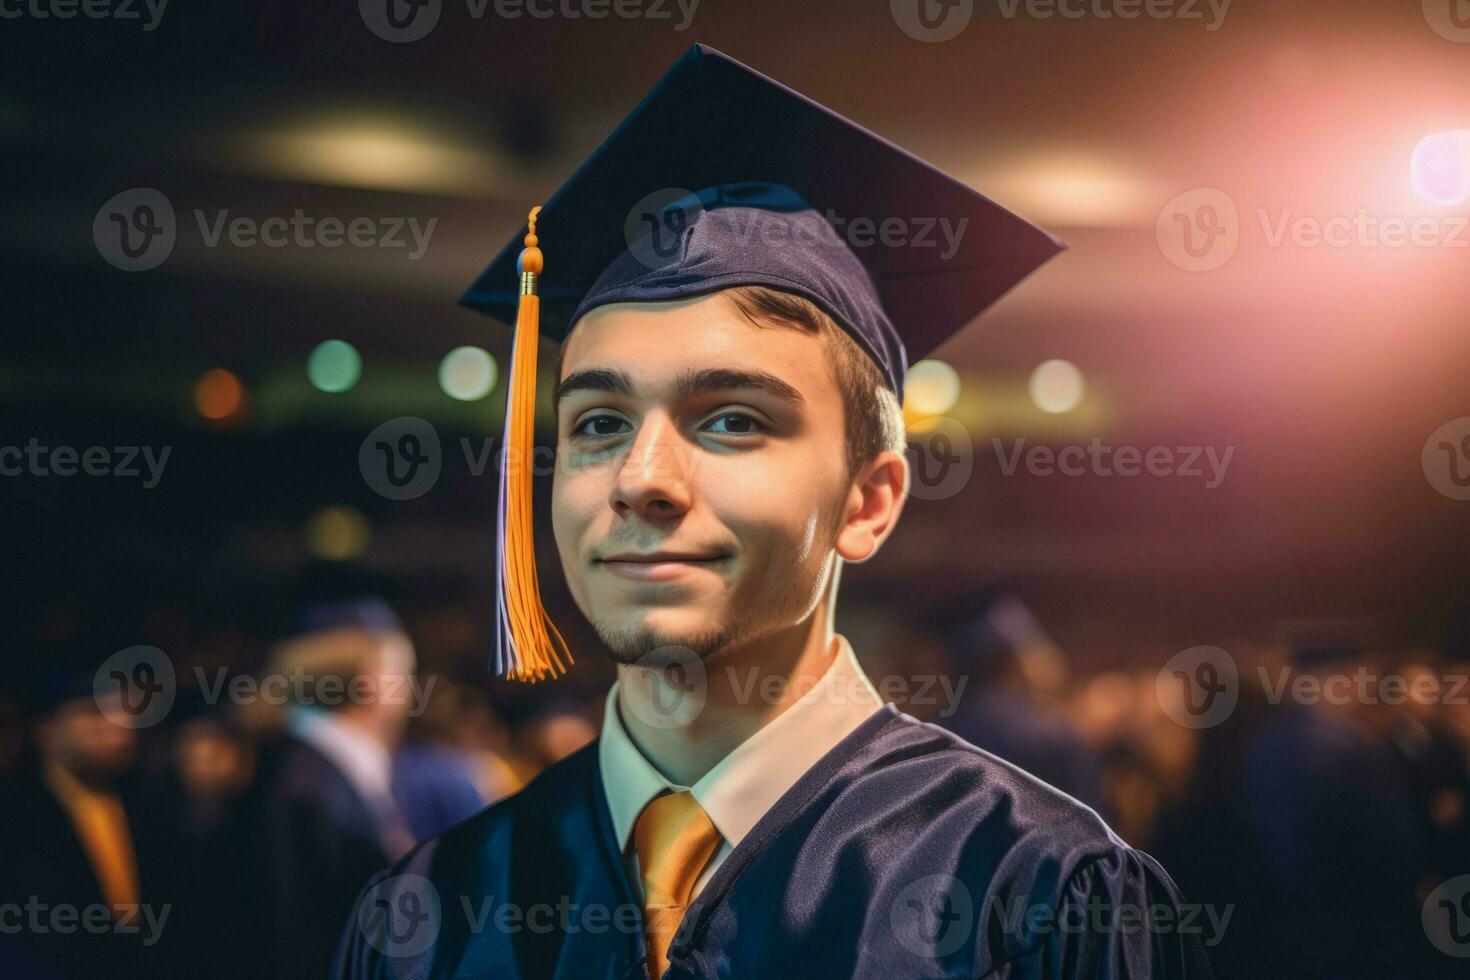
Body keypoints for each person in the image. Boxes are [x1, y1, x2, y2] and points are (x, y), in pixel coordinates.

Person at [335, 44, 1211, 979]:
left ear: (868, 502)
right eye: (597, 422)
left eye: (733, 419)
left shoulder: (1029, 894)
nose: (640, 478)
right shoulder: (431, 913)